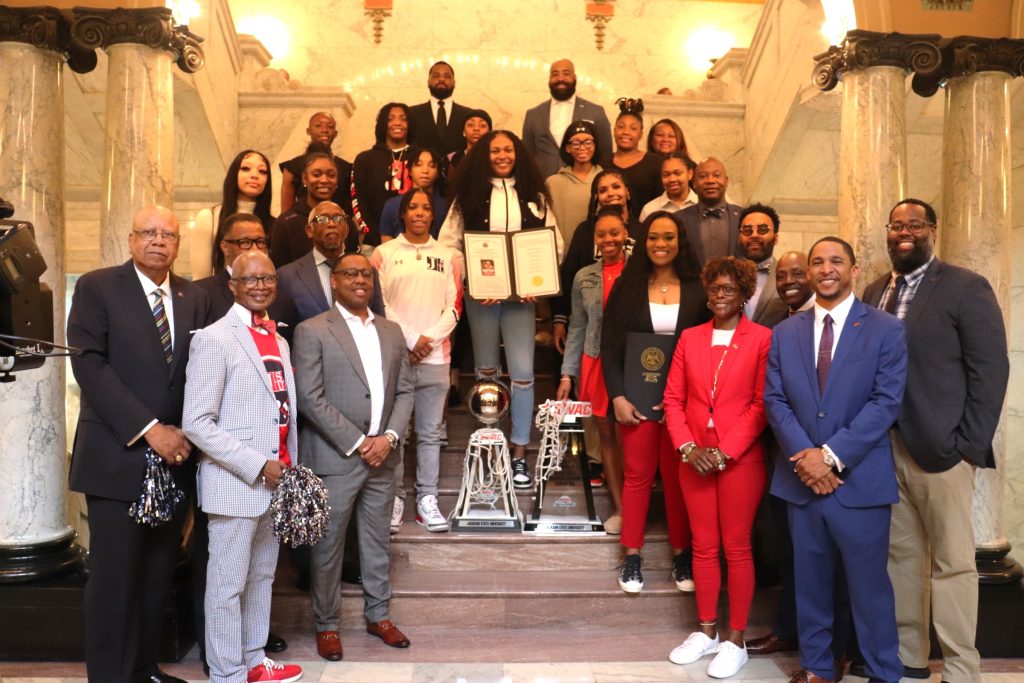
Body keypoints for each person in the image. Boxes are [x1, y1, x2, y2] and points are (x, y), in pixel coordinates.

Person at [862, 198, 1009, 683]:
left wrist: (968, 444)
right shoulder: (874, 291)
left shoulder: (966, 287)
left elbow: (990, 370)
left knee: (952, 564)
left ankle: (962, 668)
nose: (904, 233)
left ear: (932, 231)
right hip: (886, 448)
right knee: (901, 558)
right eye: (896, 225)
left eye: (914, 225)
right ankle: (909, 655)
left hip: (942, 451)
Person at [67, 206, 210, 683]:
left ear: (177, 244)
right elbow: (90, 366)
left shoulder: (192, 297)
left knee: (155, 575)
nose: (159, 241)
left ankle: (144, 668)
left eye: (168, 234)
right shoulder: (98, 287)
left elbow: (200, 370)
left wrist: (191, 429)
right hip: (117, 454)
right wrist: (151, 428)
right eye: (148, 232)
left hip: (176, 460)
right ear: (131, 240)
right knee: (114, 580)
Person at [764, 236, 906, 683]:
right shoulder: (785, 333)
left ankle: (885, 672)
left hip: (859, 483)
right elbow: (775, 400)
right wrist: (806, 458)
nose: (826, 269)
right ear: (808, 272)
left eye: (836, 261)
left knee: (870, 592)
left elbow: (886, 402)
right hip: (801, 483)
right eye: (817, 262)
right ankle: (819, 669)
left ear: (854, 270)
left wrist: (830, 456)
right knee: (810, 587)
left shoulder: (885, 328)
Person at [182, 251, 303, 683]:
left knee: (261, 578)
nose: (259, 285)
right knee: (226, 586)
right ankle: (226, 673)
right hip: (236, 482)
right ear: (232, 285)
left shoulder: (280, 340)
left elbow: (283, 411)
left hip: (278, 481)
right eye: (249, 279)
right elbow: (196, 422)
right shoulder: (213, 338)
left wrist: (288, 470)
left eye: (267, 278)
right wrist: (258, 465)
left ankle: (254, 660)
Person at [293, 252, 414, 661]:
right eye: (350, 273)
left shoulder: (392, 331)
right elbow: (310, 398)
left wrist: (390, 437)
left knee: (377, 541)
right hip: (336, 456)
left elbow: (405, 391)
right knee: (327, 546)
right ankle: (327, 625)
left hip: (385, 456)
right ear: (335, 282)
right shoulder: (312, 331)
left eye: (366, 274)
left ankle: (378, 615)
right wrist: (361, 441)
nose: (360, 279)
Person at [663, 256, 771, 678]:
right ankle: (706, 632)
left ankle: (736, 640)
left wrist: (724, 451)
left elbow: (762, 404)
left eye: (729, 289)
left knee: (737, 548)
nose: (720, 296)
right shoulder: (689, 338)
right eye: (714, 288)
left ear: (745, 294)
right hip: (694, 458)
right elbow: (672, 400)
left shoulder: (762, 338)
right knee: (703, 547)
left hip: (739, 460)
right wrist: (689, 447)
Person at [438, 129, 562, 489]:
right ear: (484, 155)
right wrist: (475, 281)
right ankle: (490, 446)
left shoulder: (535, 197)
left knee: (523, 374)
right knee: (486, 371)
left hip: (521, 301)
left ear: (518, 154)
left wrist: (534, 285)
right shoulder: (469, 196)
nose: (502, 156)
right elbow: (451, 246)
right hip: (483, 299)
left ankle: (519, 452)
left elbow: (553, 245)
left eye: (508, 150)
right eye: (495, 151)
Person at [601, 211, 708, 594]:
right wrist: (617, 397)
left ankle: (682, 555)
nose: (660, 245)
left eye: (668, 238)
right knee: (637, 477)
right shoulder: (628, 286)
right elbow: (610, 347)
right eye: (653, 238)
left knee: (680, 480)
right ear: (643, 243)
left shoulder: (698, 288)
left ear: (680, 242)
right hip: (637, 403)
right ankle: (631, 554)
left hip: (684, 404)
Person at [371, 188, 462, 533]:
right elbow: (379, 304)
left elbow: (454, 307)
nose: (421, 213)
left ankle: (427, 500)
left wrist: (428, 340)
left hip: (436, 358)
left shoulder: (448, 256)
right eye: (414, 207)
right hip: (396, 357)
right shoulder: (384, 253)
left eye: (426, 207)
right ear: (403, 214)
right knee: (396, 434)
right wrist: (411, 339)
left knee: (429, 434)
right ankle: (395, 499)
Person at [556, 206, 631, 534]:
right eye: (602, 234)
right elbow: (577, 327)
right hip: (594, 362)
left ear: (625, 234)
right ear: (595, 239)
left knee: (632, 437)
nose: (609, 239)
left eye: (614, 232)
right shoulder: (583, 276)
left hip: (631, 365)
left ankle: (637, 502)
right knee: (605, 437)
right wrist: (566, 374)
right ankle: (620, 508)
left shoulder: (640, 273)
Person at [552, 169, 641, 352]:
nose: (611, 193)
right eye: (603, 190)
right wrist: (560, 318)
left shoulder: (643, 230)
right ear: (596, 197)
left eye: (616, 187)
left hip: (633, 321)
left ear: (628, 192)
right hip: (590, 320)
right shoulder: (585, 231)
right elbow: (569, 275)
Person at [196, 212, 298, 343]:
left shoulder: (284, 302)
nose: (255, 249)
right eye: (245, 242)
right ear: (225, 247)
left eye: (260, 242)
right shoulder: (201, 294)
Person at [277, 201, 382, 322]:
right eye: (322, 219)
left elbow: (378, 321)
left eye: (338, 218)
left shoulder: (368, 272)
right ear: (309, 230)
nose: (332, 224)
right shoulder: (287, 276)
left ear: (347, 230)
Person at [191, 149, 275, 279]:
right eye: (246, 168)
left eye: (262, 171)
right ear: (233, 173)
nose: (254, 175)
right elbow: (200, 279)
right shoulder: (209, 218)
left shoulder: (274, 223)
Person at [522, 58, 613, 178]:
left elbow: (605, 154)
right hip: (542, 185)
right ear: (549, 79)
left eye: (566, 73)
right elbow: (527, 156)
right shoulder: (532, 115)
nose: (560, 78)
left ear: (575, 78)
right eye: (555, 74)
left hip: (584, 185)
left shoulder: (596, 112)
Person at [271, 150, 357, 268]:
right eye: (316, 175)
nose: (324, 180)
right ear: (304, 179)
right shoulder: (286, 222)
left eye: (331, 175)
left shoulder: (346, 221)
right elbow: (279, 270)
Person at [352, 102, 416, 248]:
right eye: (390, 118)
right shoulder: (365, 159)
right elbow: (358, 201)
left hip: (415, 242)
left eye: (403, 118)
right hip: (374, 243)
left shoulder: (420, 157)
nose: (397, 123)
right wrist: (375, 235)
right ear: (382, 124)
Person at [278, 112, 353, 216]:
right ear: (308, 131)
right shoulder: (293, 167)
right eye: (318, 126)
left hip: (336, 224)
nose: (324, 130)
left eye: (330, 127)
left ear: (335, 133)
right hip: (301, 225)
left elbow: (349, 209)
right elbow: (285, 212)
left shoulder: (346, 168)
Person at [545, 119, 603, 248]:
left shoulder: (606, 180)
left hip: (598, 253)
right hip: (564, 256)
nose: (582, 147)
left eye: (588, 142)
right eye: (576, 143)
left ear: (595, 146)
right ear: (568, 148)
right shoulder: (553, 183)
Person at [675, 157, 742, 268]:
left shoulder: (743, 216)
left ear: (726, 181)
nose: (710, 181)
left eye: (716, 175)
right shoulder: (678, 219)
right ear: (694, 183)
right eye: (703, 176)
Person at [379, 146, 450, 241]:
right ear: (410, 171)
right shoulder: (392, 205)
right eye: (418, 164)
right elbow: (386, 245)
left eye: (432, 166)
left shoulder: (447, 207)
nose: (425, 171)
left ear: (438, 173)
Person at [607, 98, 663, 217]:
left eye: (633, 128)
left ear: (641, 134)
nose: (626, 132)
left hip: (646, 228)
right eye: (621, 127)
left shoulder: (655, 163)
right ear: (614, 130)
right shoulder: (603, 163)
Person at [737, 203, 788, 328]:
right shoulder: (727, 275)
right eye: (747, 230)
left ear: (776, 238)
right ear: (739, 237)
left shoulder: (788, 278)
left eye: (763, 229)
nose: (754, 235)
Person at [408, 61, 472, 156]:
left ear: (454, 83)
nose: (441, 79)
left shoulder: (468, 115)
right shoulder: (411, 113)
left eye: (447, 76)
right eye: (436, 76)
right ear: (428, 82)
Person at [639, 152, 697, 221]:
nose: (672, 179)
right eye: (666, 175)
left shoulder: (702, 204)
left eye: (677, 173)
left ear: (690, 174)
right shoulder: (650, 210)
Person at [446, 108, 491, 178]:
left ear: (489, 132)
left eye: (482, 126)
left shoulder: (495, 157)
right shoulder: (451, 159)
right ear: (463, 132)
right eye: (470, 125)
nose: (476, 129)